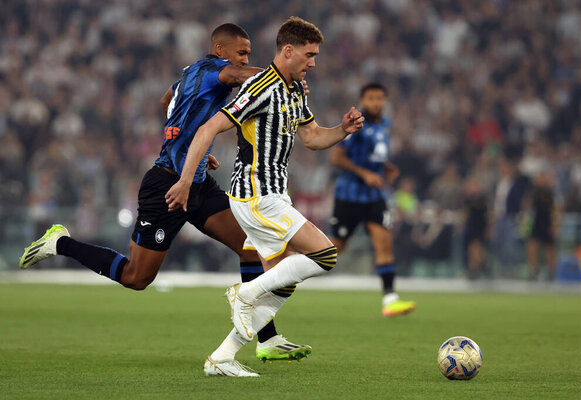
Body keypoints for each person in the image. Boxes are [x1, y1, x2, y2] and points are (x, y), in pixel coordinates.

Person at [19, 23, 310, 376]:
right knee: (136, 277)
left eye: (248, 53)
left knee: (252, 246)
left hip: (196, 183)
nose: (246, 58)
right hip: (165, 187)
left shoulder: (190, 74)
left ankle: (266, 339)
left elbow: (165, 101)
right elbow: (237, 75)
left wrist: (188, 146)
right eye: (242, 52)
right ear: (219, 49)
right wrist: (280, 74)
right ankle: (61, 243)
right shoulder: (217, 70)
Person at [165, 16, 364, 376]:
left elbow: (313, 137)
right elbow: (210, 127)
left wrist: (343, 130)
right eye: (309, 54)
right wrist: (183, 179)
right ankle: (244, 293)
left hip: (274, 195)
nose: (313, 62)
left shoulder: (293, 90)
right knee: (324, 254)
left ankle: (222, 357)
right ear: (288, 50)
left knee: (285, 283)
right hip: (255, 195)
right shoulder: (261, 87)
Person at [328, 82, 415, 316]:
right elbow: (337, 158)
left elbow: (370, 155)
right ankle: (285, 272)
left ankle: (390, 299)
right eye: (371, 98)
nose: (376, 102)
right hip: (349, 195)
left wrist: (384, 167)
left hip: (375, 196)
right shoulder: (356, 123)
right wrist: (365, 173)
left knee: (384, 243)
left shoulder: (384, 124)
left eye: (380, 98)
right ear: (362, 100)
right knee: (335, 248)